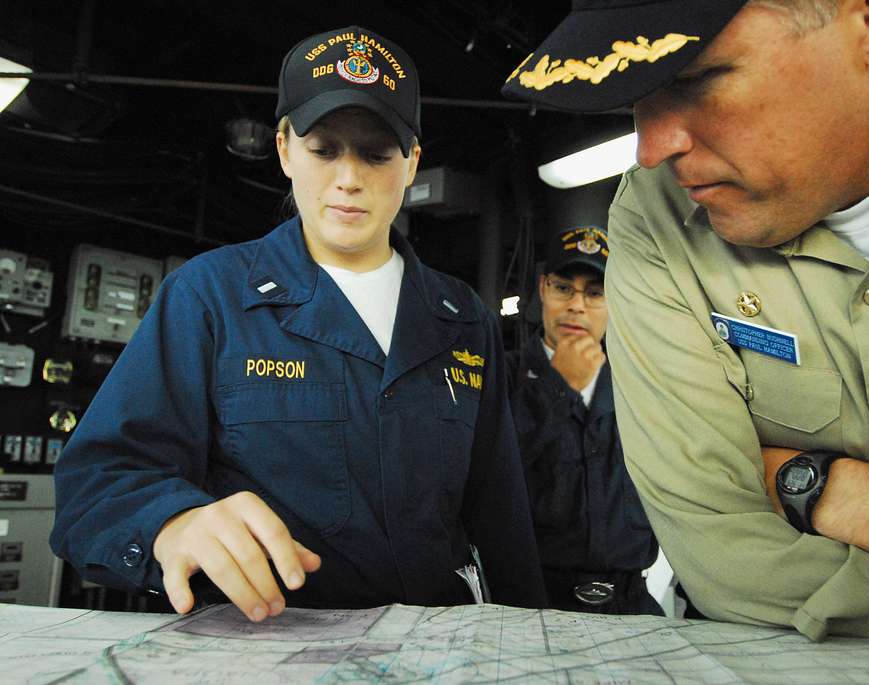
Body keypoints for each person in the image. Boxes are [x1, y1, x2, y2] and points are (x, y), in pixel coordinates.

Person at [503, 0, 869, 640]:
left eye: (697, 78)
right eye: (637, 97)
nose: (650, 149)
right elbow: (727, 565)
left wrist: (828, 491)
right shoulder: (655, 217)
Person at [50, 26, 546, 623]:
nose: (349, 178)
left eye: (377, 152)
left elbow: (500, 515)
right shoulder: (209, 298)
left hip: (435, 652)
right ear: (284, 148)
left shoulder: (461, 317)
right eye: (325, 148)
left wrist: (530, 640)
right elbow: (97, 484)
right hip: (267, 650)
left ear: (412, 161)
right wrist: (169, 522)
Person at [506, 226, 662, 615]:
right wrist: (556, 388)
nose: (577, 305)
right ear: (542, 288)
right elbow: (490, 475)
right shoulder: (497, 374)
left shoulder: (643, 385)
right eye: (564, 289)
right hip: (528, 601)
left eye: (595, 293)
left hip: (631, 603)